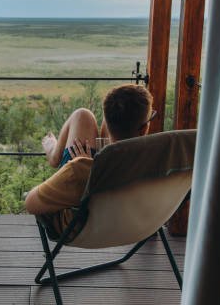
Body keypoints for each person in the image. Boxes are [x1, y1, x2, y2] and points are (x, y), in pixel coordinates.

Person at [24, 84, 155, 222]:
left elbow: (30, 204)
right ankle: (103, 153)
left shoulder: (79, 170)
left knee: (81, 115)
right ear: (144, 128)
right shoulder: (157, 157)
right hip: (133, 223)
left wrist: (84, 168)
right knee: (88, 117)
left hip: (84, 223)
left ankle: (54, 154)